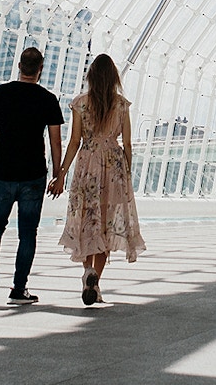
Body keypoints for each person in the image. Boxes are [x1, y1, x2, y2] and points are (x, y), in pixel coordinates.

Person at [50, 53, 145, 305]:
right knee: (105, 223)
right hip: (113, 167)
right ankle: (96, 283)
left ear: (90, 76)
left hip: (87, 163)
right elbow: (127, 144)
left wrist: (60, 174)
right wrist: (126, 174)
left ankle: (87, 272)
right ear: (114, 77)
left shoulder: (80, 103)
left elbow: (74, 142)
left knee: (86, 220)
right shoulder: (122, 105)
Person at [0, 47, 64, 305]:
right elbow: (55, 141)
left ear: (19, 66)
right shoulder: (48, 99)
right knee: (27, 233)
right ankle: (19, 288)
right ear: (40, 70)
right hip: (34, 175)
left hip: (2, 172)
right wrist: (58, 174)